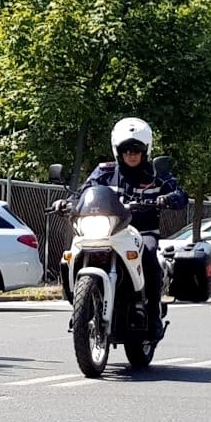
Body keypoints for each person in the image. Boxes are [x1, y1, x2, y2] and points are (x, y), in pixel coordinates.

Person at [54, 117, 187, 339]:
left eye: (136, 149)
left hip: (142, 232)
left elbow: (180, 195)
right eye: (126, 149)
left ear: (146, 150)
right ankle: (80, 307)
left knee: (150, 256)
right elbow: (83, 193)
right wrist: (66, 202)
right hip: (108, 230)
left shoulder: (156, 174)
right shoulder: (104, 172)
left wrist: (170, 198)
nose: (131, 154)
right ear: (118, 150)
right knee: (71, 255)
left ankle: (153, 313)